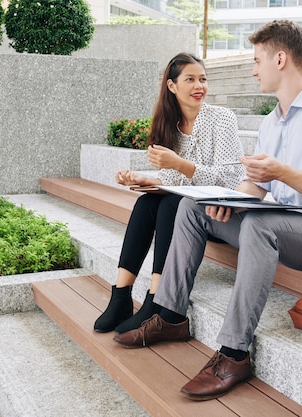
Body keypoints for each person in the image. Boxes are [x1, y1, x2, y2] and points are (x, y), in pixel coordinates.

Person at [113, 20, 302, 400]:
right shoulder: (271, 123)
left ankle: (234, 352)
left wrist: (282, 172)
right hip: (285, 222)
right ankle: (170, 314)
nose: (253, 68)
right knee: (192, 208)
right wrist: (229, 201)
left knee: (260, 226)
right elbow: (256, 187)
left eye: (257, 60)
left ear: (280, 59)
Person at [93, 52, 245, 334]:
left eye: (203, 79)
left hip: (215, 212)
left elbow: (231, 178)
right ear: (172, 86)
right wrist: (143, 179)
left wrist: (180, 164)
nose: (199, 86)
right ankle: (121, 296)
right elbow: (173, 180)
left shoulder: (222, 119)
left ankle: (155, 299)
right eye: (190, 79)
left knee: (170, 204)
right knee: (146, 202)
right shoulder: (168, 125)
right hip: (185, 208)